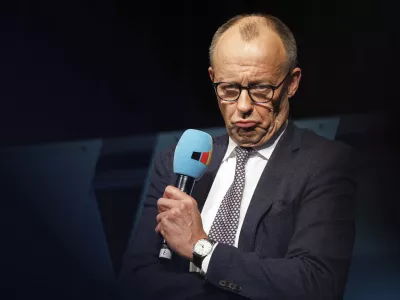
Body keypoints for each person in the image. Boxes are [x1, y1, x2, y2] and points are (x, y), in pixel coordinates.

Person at [117, 13, 357, 300]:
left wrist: (202, 247)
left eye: (260, 89)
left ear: (292, 83)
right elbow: (135, 281)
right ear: (212, 79)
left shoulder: (324, 163)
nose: (243, 106)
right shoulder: (176, 161)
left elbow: (315, 285)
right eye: (229, 89)